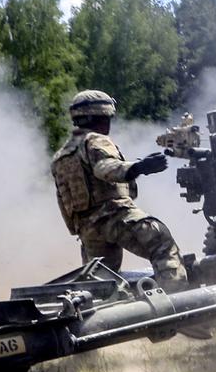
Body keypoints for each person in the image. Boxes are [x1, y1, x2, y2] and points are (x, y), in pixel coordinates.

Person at [51, 90, 190, 293]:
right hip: (114, 215)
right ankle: (179, 306)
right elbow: (104, 168)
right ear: (102, 116)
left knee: (101, 282)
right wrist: (139, 167)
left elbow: (63, 199)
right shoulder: (95, 140)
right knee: (161, 243)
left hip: (87, 228)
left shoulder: (61, 156)